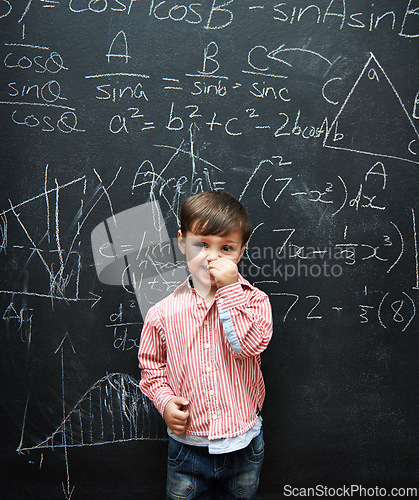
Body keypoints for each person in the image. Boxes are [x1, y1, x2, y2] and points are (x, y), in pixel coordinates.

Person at [138, 191, 273, 499]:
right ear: (182, 242)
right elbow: (151, 366)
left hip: (243, 444)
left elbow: (248, 345)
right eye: (201, 244)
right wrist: (164, 401)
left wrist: (229, 289)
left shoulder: (254, 302)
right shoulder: (162, 312)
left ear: (240, 252)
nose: (212, 257)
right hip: (188, 449)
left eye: (226, 248)